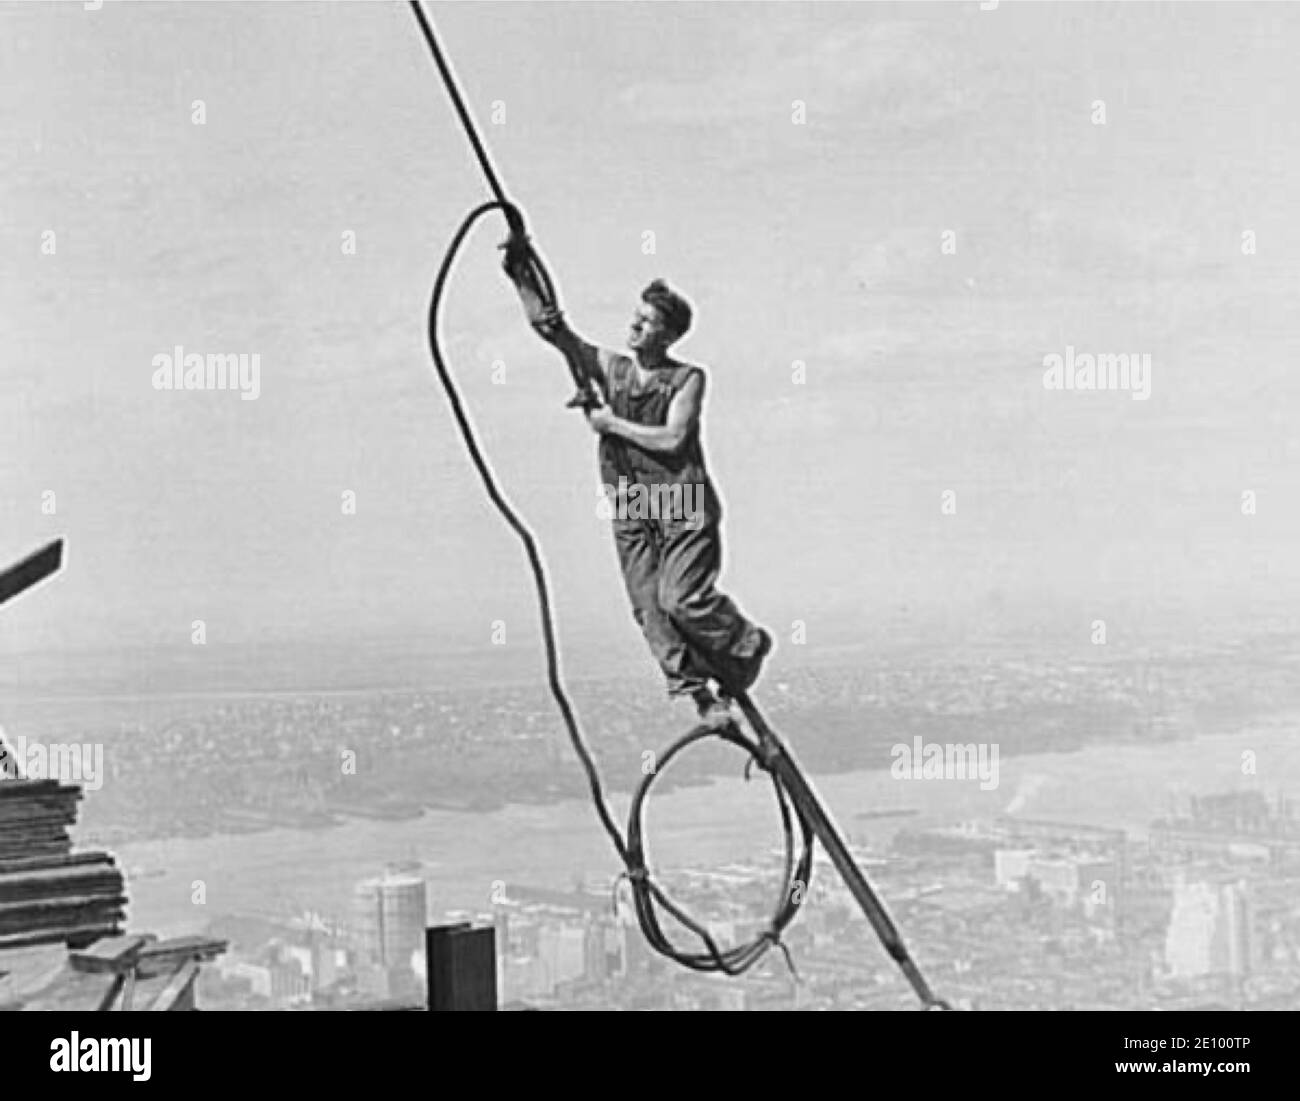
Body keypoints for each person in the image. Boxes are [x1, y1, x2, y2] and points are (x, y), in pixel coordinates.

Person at [502, 235, 771, 728]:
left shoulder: (687, 378)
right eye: (636, 316)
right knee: (650, 610)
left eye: (646, 322)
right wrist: (520, 273)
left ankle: (745, 643)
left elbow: (672, 439)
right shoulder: (614, 369)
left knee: (682, 600)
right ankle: (703, 700)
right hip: (629, 502)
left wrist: (610, 425)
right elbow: (556, 333)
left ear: (666, 335)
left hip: (683, 501)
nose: (633, 325)